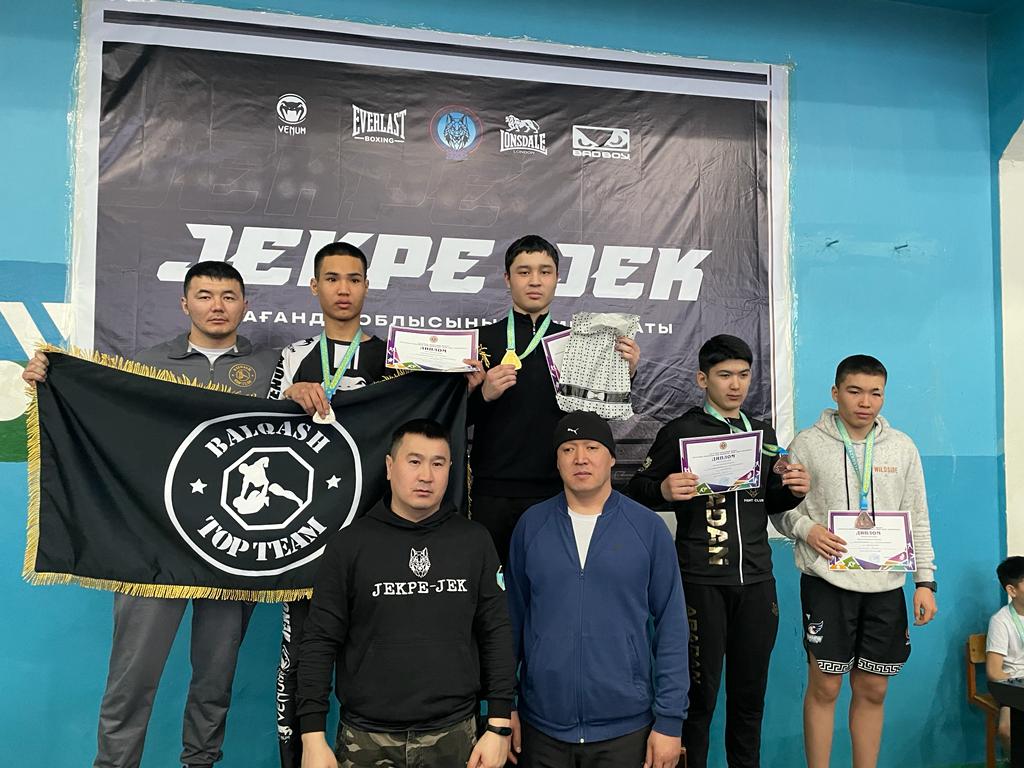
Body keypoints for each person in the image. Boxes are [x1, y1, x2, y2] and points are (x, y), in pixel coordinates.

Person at [23, 261, 280, 768]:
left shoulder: (274, 368)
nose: (217, 306)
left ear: (245, 305)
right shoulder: (146, 363)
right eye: (204, 295)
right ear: (184, 304)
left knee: (216, 678)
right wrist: (48, 382)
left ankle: (200, 762)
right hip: (153, 540)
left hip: (231, 546)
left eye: (229, 296)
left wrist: (298, 392)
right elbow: (103, 420)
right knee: (132, 676)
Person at [623, 333, 809, 768]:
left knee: (750, 700)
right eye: (725, 375)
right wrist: (664, 489)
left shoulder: (762, 432)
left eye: (743, 375)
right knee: (697, 701)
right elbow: (636, 489)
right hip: (701, 584)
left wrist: (794, 492)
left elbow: (768, 501)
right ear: (702, 379)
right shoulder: (681, 431)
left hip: (757, 583)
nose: (736, 384)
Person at [297, 418, 515, 768]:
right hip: (365, 738)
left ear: (450, 470)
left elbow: (496, 632)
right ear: (389, 467)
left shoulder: (474, 541)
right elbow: (319, 641)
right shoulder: (349, 545)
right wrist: (311, 736)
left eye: (438, 463)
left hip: (456, 734)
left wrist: (499, 724)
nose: (426, 476)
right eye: (414, 461)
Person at [778, 354, 938, 768]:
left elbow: (917, 517)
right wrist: (807, 529)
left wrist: (925, 582)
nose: (865, 402)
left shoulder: (901, 447)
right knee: (826, 687)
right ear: (836, 393)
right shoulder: (807, 444)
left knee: (873, 689)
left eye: (875, 393)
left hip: (886, 586)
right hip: (827, 583)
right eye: (854, 391)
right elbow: (779, 510)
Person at [506, 411, 688, 768]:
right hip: (541, 728)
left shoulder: (647, 528)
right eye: (568, 449)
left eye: (592, 447)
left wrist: (670, 721)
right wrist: (504, 706)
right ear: (557, 461)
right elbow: (511, 622)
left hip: (626, 729)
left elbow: (672, 627)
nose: (580, 458)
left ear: (612, 458)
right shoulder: (531, 526)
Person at [267, 241, 390, 768]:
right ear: (315, 286)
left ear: (366, 286)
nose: (344, 289)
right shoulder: (293, 356)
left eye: (354, 279)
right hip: (309, 534)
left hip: (378, 534)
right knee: (302, 659)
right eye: (333, 279)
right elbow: (262, 431)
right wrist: (288, 397)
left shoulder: (394, 356)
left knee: (381, 654)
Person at [466, 235, 639, 563]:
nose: (535, 281)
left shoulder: (579, 343)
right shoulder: (480, 341)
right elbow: (451, 420)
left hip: (558, 489)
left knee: (550, 581)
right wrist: (483, 395)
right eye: (524, 272)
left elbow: (597, 416)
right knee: (492, 587)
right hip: (493, 491)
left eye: (544, 272)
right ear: (507, 279)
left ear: (557, 278)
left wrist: (623, 373)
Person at [987, 556, 1024, 750]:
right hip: (1015, 687)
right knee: (1007, 729)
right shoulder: (1001, 621)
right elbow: (994, 672)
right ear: (1012, 590)